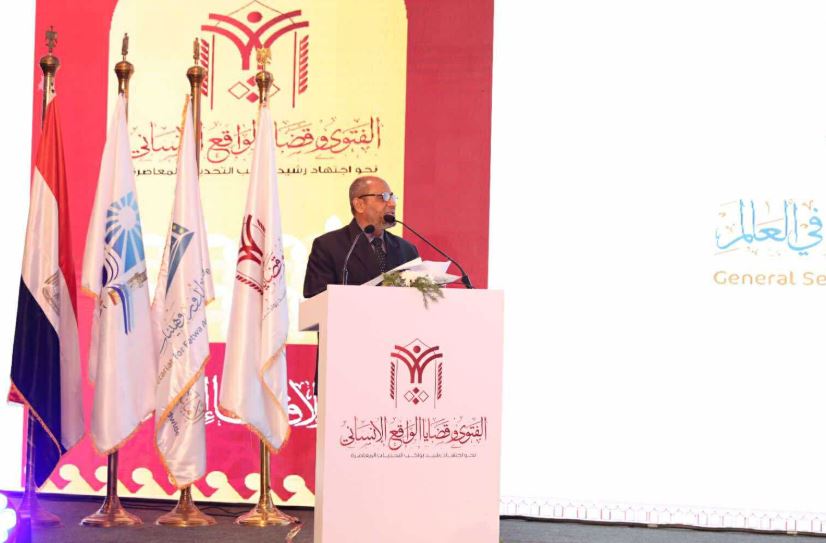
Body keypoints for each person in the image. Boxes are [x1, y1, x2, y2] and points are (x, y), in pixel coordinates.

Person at [303, 176, 419, 298]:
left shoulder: (407, 250)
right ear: (359, 205)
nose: (392, 204)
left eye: (392, 197)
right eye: (383, 197)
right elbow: (316, 297)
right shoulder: (328, 246)